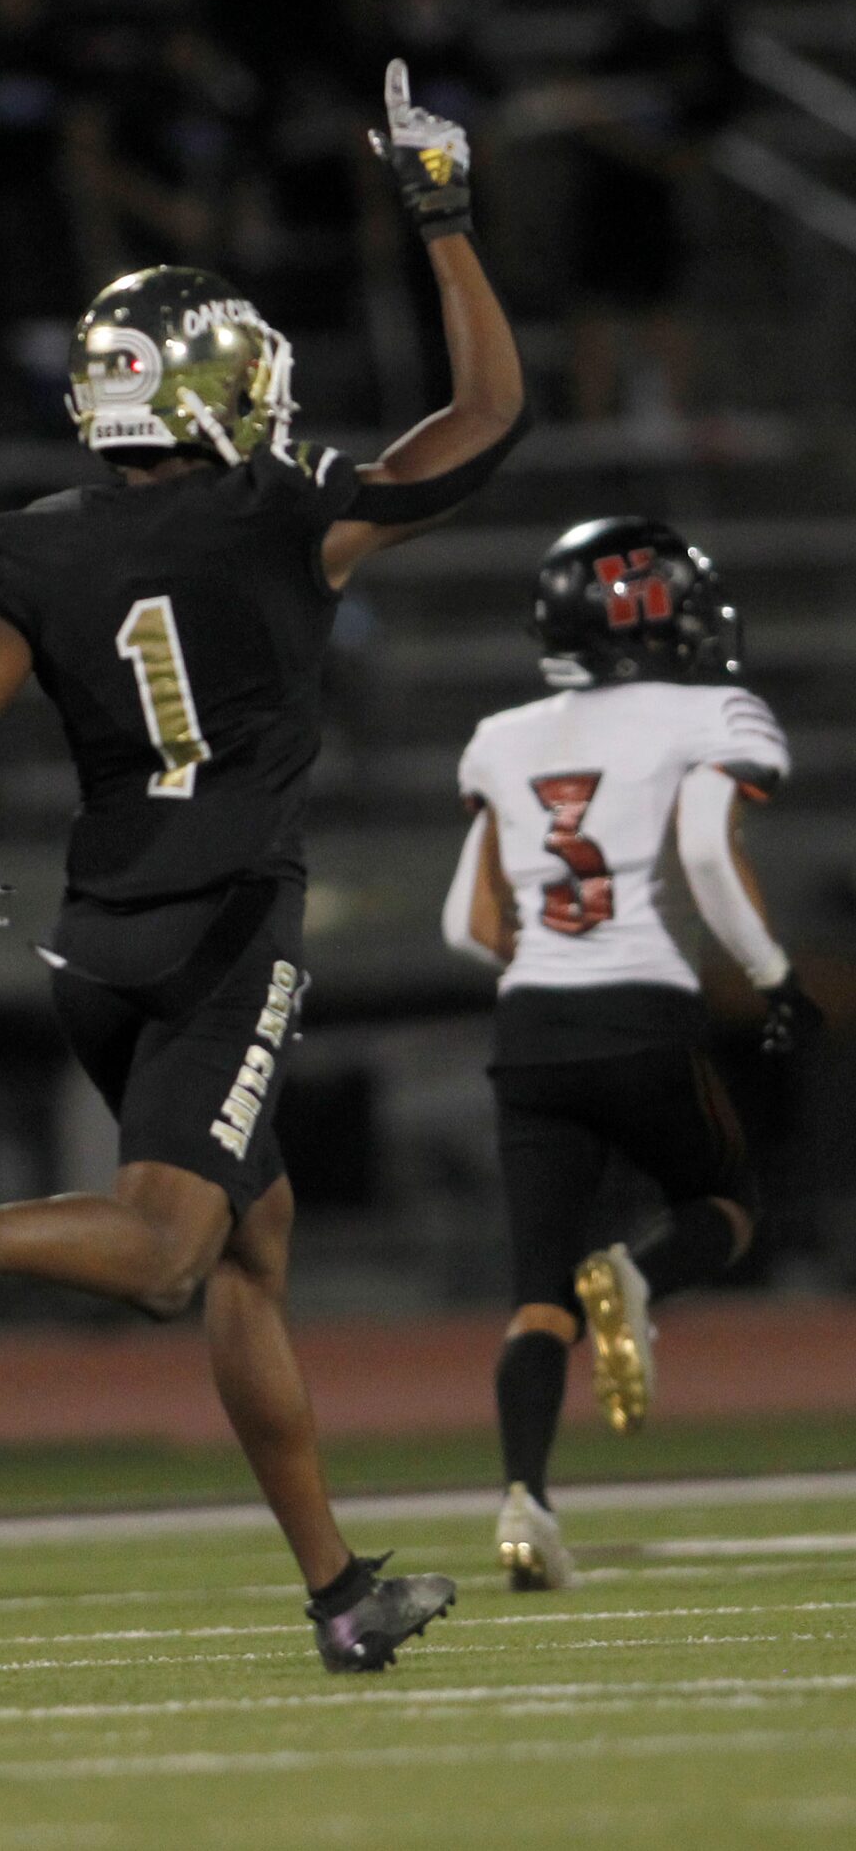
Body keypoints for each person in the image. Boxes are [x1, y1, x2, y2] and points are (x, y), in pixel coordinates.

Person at [0, 62, 528, 1673]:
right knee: (171, 1250)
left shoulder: (30, 543)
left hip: (97, 943)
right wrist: (440, 219)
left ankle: (338, 1591)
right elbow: (488, 420)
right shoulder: (281, 514)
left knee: (252, 1244)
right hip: (231, 922)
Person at [442, 516, 818, 1591]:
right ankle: (637, 1277)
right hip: (642, 1013)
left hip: (530, 1032)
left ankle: (524, 1505)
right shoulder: (715, 710)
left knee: (536, 1300)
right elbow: (703, 845)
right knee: (727, 1204)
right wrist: (775, 977)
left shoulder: (503, 736)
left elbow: (467, 926)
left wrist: (550, 969)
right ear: (657, 615)